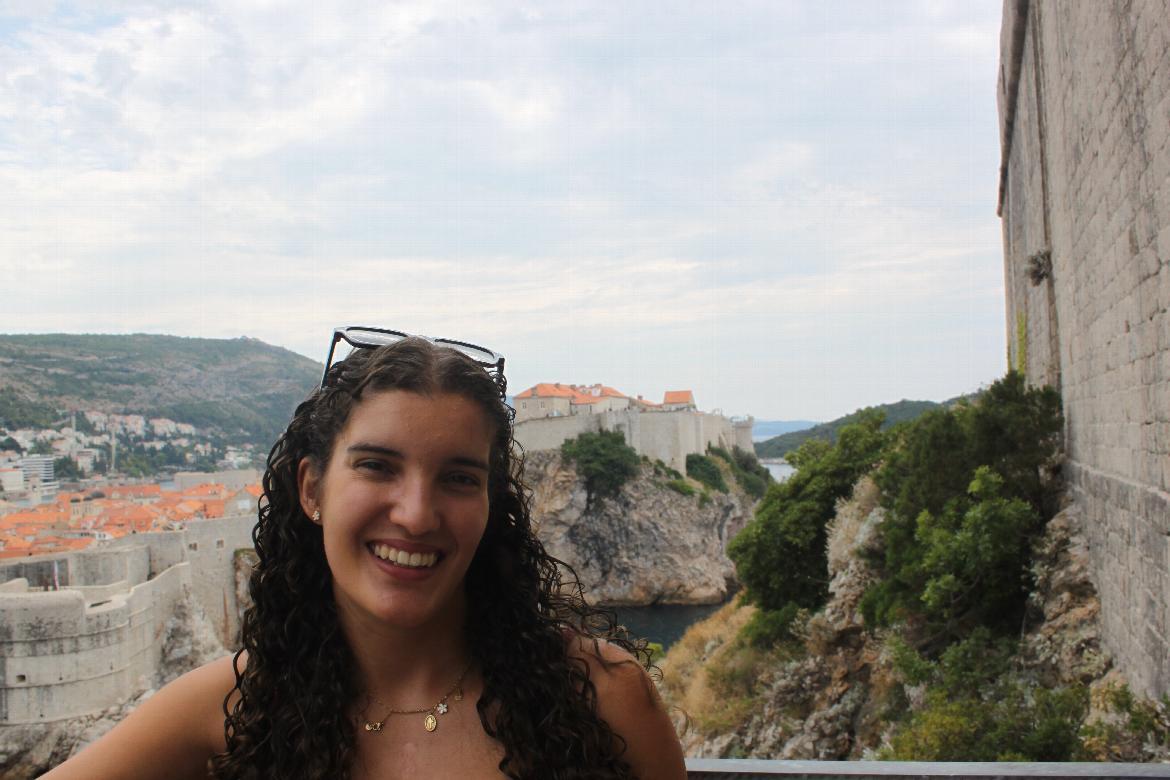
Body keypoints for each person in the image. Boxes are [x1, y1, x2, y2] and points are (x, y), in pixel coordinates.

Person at [43, 327, 687, 779]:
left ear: (491, 505)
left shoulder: (603, 698)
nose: (416, 514)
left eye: (459, 477)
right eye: (377, 466)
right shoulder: (226, 710)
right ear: (312, 489)